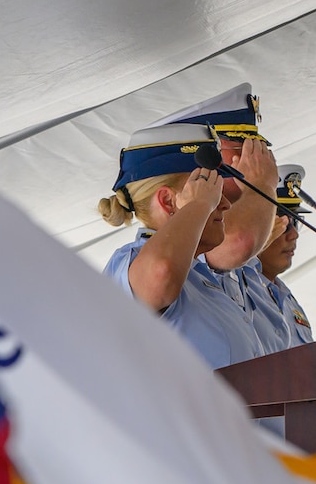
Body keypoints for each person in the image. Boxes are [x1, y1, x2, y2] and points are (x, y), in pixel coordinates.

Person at [99, 123, 266, 369]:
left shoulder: (199, 278)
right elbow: (160, 272)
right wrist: (197, 206)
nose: (225, 205)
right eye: (211, 191)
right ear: (168, 201)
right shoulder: (132, 260)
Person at [148, 85, 281, 320]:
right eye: (242, 147)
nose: (258, 159)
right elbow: (239, 240)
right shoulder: (182, 245)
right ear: (207, 156)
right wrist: (262, 185)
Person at [240, 164, 314, 352]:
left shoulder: (288, 299)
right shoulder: (236, 291)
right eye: (281, 223)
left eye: (296, 222)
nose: (294, 235)